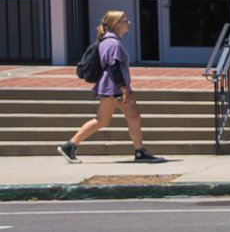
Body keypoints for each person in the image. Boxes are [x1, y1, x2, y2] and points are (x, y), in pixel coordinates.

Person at [61, 10, 163, 164]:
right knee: (132, 116)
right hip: (115, 89)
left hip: (109, 88)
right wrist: (124, 89)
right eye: (125, 20)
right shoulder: (113, 43)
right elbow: (113, 67)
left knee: (104, 120)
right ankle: (140, 151)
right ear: (116, 24)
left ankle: (70, 145)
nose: (129, 22)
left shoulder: (109, 41)